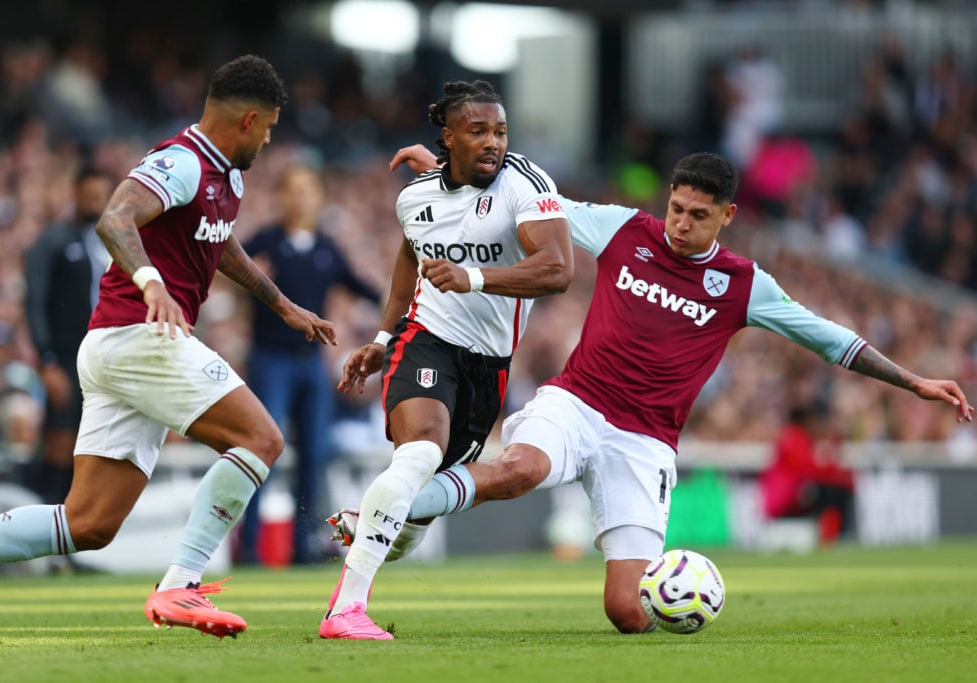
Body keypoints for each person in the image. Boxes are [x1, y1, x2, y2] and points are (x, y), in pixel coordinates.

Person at [330, 145, 974, 636]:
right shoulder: (622, 229)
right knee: (520, 468)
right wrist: (449, 166)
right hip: (576, 403)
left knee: (627, 613)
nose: (681, 224)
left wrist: (913, 380)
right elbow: (524, 195)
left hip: (645, 442)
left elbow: (831, 339)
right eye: (676, 208)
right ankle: (394, 508)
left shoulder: (745, 284)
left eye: (699, 215)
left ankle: (398, 510)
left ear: (727, 216)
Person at [0, 55, 338, 638]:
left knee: (87, 524)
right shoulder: (182, 161)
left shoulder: (222, 176)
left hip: (116, 345)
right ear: (250, 119)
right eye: (270, 128)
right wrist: (151, 282)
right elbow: (115, 218)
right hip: (142, 334)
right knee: (260, 438)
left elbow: (219, 242)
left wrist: (281, 304)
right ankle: (181, 586)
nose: (268, 139)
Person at [318, 80, 573, 640]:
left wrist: (474, 277)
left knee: (413, 523)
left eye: (500, 131)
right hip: (427, 342)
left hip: (489, 368)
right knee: (417, 457)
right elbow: (410, 259)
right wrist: (385, 341)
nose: (493, 142)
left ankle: (370, 528)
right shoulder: (414, 197)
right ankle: (345, 612)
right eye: (478, 131)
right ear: (449, 137)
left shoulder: (524, 185)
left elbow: (558, 269)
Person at [239, 164, 380, 566]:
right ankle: (249, 549)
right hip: (270, 360)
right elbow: (224, 272)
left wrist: (399, 301)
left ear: (319, 197)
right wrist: (247, 281)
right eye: (293, 189)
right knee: (263, 449)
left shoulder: (327, 248)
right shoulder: (263, 243)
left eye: (308, 189)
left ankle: (302, 547)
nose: (301, 197)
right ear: (281, 196)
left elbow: (359, 286)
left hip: (311, 363)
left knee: (314, 455)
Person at [23, 166, 113, 504]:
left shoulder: (108, 242)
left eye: (101, 197)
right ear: (75, 194)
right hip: (64, 357)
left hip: (101, 359)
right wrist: (46, 360)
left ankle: (67, 543)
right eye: (89, 196)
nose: (95, 203)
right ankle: (40, 520)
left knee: (88, 447)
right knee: (59, 441)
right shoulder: (54, 240)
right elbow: (35, 300)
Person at [759, 400, 855, 546]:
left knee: (830, 490)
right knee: (831, 492)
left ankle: (832, 534)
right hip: (786, 497)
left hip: (784, 495)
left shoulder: (789, 437)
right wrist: (838, 475)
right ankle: (834, 536)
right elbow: (808, 470)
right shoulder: (795, 439)